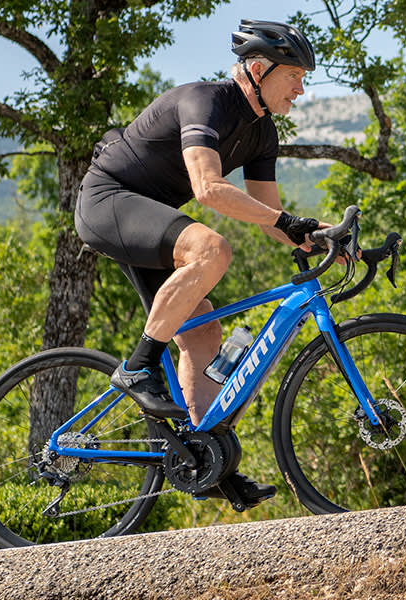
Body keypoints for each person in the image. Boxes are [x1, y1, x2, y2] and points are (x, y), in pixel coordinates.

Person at [73, 19, 327, 507]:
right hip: (110, 201)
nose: (300, 88)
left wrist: (321, 236)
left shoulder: (263, 133)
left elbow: (271, 219)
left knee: (204, 333)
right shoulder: (204, 101)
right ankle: (138, 367)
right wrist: (290, 221)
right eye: (294, 75)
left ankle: (205, 464)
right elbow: (208, 188)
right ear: (259, 68)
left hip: (153, 218)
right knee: (211, 249)